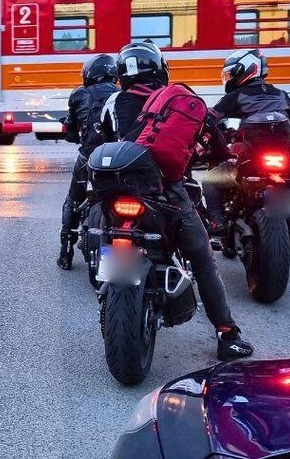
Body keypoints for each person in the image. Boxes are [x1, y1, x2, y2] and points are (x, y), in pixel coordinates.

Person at [104, 42, 254, 362]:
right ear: (160, 68)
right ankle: (227, 332)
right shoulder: (180, 101)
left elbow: (93, 141)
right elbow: (219, 151)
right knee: (202, 258)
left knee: (103, 235)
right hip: (167, 191)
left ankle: (105, 286)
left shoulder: (112, 101)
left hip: (115, 191)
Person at [205, 49, 290, 282]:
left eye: (231, 74)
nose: (229, 79)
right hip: (283, 166)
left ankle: (217, 222)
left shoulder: (236, 97)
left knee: (210, 181)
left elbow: (209, 120)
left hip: (251, 165)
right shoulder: (281, 94)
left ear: (243, 71)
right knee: (289, 207)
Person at [58, 54, 119, 269]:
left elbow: (72, 132)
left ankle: (65, 252)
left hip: (89, 158)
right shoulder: (122, 94)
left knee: (72, 201)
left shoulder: (79, 94)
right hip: (118, 160)